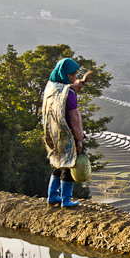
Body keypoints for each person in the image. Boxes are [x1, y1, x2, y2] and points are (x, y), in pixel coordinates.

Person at [42, 58, 92, 208]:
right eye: (74, 74)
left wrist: (83, 82)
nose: (75, 77)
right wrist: (79, 139)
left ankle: (52, 196)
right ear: (66, 74)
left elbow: (72, 87)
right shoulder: (68, 93)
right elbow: (74, 118)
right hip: (66, 133)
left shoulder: (53, 87)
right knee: (69, 165)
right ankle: (66, 200)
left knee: (58, 164)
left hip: (53, 133)